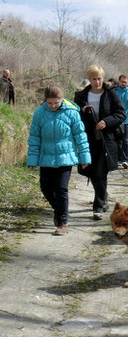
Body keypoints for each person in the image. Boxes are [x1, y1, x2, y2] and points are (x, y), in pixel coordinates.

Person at [27, 85, 91, 235]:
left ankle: (62, 222)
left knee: (61, 189)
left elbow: (81, 137)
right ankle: (59, 210)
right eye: (50, 103)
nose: (53, 106)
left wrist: (84, 157)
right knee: (46, 188)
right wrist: (32, 160)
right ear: (45, 101)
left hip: (65, 158)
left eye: (56, 102)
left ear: (62, 99)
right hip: (46, 158)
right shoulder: (39, 114)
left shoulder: (72, 113)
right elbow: (35, 138)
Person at [74, 65, 126, 220]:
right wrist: (82, 110)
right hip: (87, 140)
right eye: (94, 79)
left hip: (106, 140)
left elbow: (121, 113)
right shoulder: (81, 95)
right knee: (89, 172)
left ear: (103, 79)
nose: (97, 82)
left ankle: (97, 207)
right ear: (89, 80)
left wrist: (106, 121)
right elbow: (74, 113)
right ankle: (103, 196)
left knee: (100, 173)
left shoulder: (111, 94)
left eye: (99, 79)